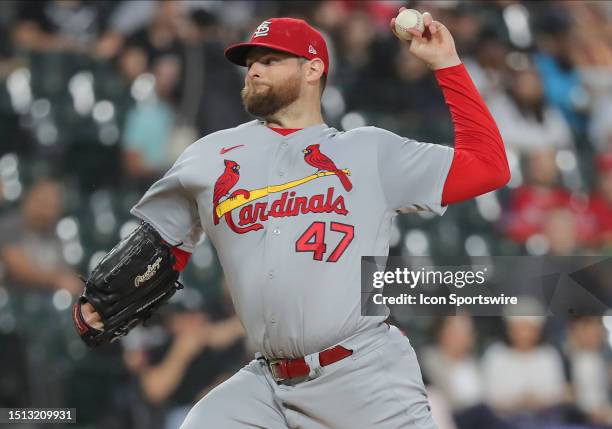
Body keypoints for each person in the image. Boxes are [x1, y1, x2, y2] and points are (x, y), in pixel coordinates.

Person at [78, 9, 510, 428]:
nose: (254, 71)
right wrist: (103, 302)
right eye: (250, 63)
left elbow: (489, 166)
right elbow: (164, 244)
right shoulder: (210, 156)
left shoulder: (369, 152)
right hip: (268, 383)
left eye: (270, 60)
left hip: (363, 375)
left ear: (313, 69)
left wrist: (446, 64)